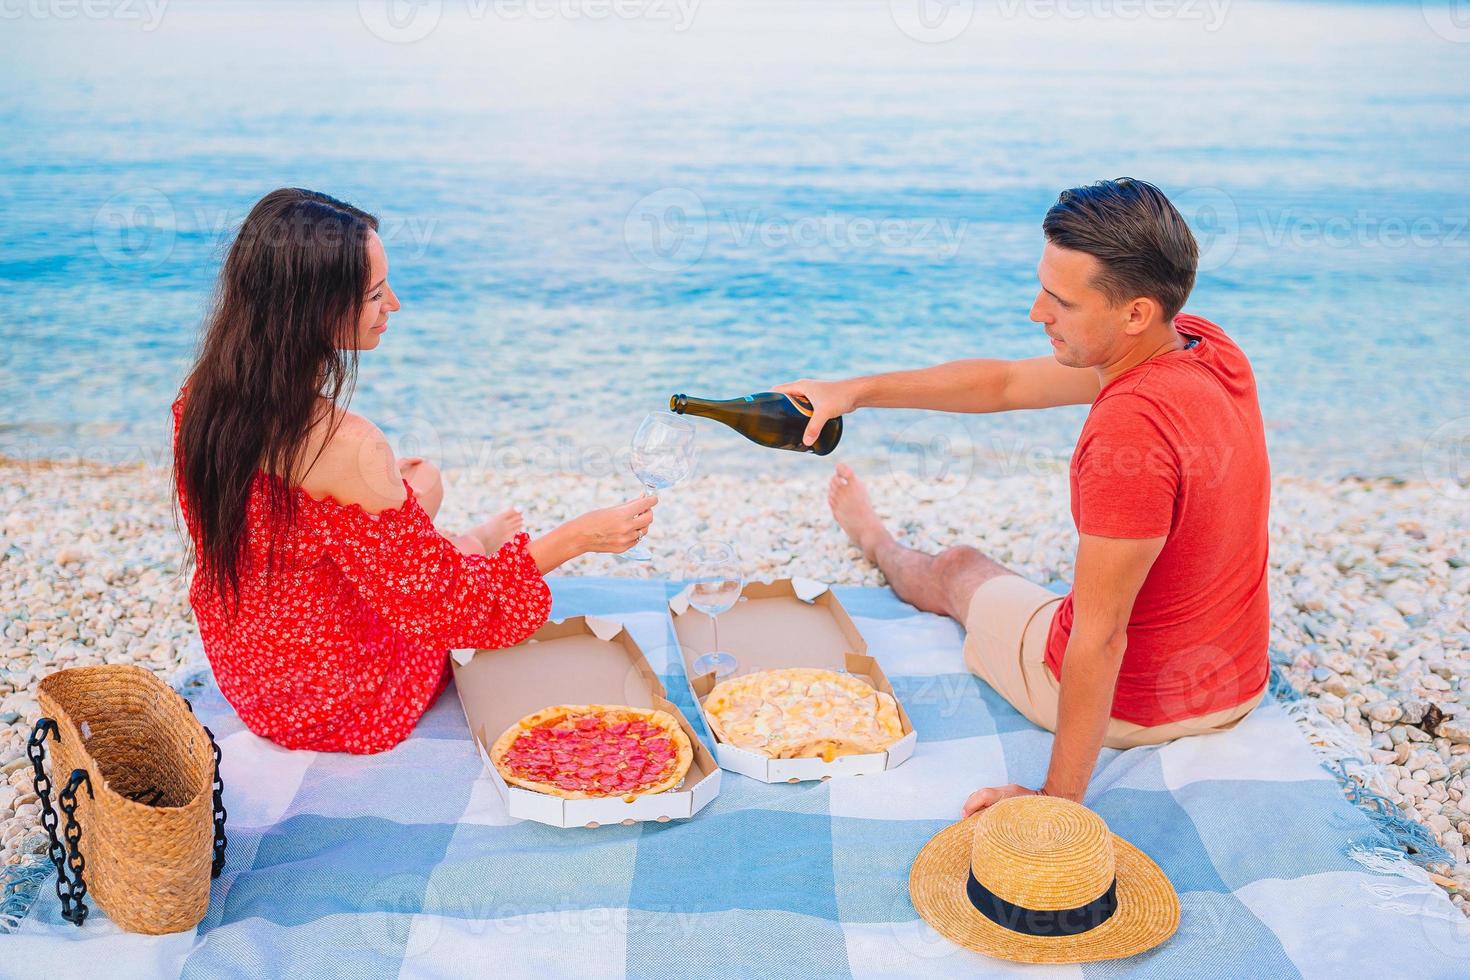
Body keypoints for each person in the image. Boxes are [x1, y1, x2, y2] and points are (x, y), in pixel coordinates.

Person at [776, 178, 1270, 815]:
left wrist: (1055, 802)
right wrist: (854, 390)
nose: (1037, 312)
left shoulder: (1129, 426)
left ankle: (872, 537)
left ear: (1135, 312)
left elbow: (1101, 639)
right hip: (1236, 680)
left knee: (959, 567)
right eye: (1043, 287)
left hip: (1140, 707)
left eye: (1060, 301)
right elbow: (1005, 384)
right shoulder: (1207, 345)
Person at [172, 188, 656, 753]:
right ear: (314, 309)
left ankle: (462, 540)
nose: (394, 304)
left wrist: (401, 501)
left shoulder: (203, 398)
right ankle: (472, 544)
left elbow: (287, 538)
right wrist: (580, 537)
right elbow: (453, 610)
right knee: (449, 571)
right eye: (376, 293)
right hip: (334, 702)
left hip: (250, 673)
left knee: (419, 530)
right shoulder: (346, 444)